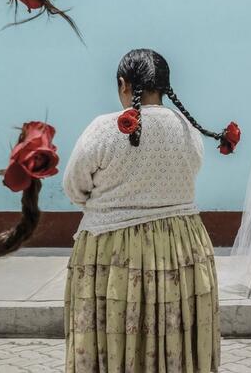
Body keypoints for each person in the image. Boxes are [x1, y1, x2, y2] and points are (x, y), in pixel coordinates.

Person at [63, 48, 238, 372]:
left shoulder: (104, 128)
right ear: (166, 86)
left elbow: (74, 185)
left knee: (113, 334)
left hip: (112, 250)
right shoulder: (188, 130)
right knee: (174, 334)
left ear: (123, 84)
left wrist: (106, 204)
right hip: (182, 247)